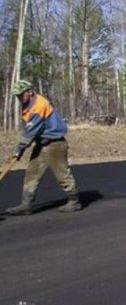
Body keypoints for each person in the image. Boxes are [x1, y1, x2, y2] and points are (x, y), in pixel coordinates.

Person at [4, 80, 82, 215]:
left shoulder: (39, 106)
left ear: (29, 92)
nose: (19, 98)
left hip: (55, 144)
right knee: (31, 173)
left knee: (62, 174)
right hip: (42, 143)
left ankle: (74, 201)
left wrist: (19, 149)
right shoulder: (29, 104)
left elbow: (30, 132)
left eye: (21, 95)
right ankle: (26, 204)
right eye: (17, 96)